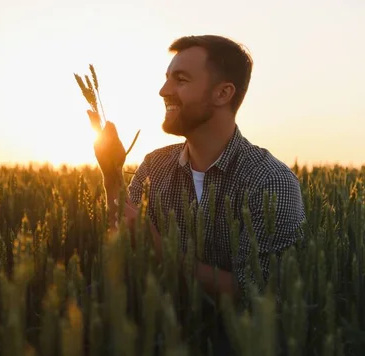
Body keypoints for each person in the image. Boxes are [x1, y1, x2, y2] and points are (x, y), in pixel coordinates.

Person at [89, 34, 306, 309]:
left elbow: (261, 292)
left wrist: (162, 250)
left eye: (180, 79)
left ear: (223, 93)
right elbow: (125, 242)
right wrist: (111, 174)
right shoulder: (154, 166)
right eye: (167, 77)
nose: (163, 90)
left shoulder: (270, 181)